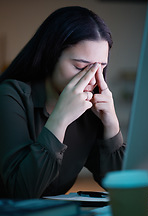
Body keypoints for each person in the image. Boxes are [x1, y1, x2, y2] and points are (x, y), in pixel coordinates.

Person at [0, 6, 125, 199]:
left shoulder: (90, 110)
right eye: (81, 67)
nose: (92, 80)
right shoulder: (11, 95)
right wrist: (60, 119)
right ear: (51, 57)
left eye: (101, 67)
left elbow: (122, 187)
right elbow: (22, 193)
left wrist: (112, 127)